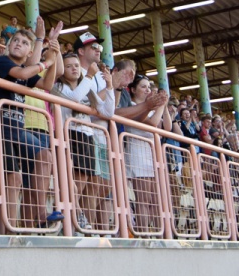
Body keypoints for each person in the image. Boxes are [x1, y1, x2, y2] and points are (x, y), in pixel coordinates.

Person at [0, 21, 63, 227]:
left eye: (23, 42)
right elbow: (21, 74)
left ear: (30, 52)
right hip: (0, 129)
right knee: (12, 180)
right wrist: (46, 62)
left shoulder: (26, 69)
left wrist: (53, 54)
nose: (18, 44)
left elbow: (47, 85)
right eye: (15, 40)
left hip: (17, 130)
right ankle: (9, 230)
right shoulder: (0, 62)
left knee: (45, 155)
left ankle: (39, 215)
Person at [50, 51, 114, 232]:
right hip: (69, 134)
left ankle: (80, 223)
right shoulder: (58, 87)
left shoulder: (86, 86)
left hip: (87, 136)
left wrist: (109, 86)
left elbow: (107, 112)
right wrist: (90, 76)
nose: (73, 69)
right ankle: (74, 222)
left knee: (84, 184)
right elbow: (75, 98)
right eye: (69, 66)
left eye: (76, 66)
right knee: (74, 183)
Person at [124, 74, 170, 233]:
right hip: (137, 153)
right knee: (143, 199)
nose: (147, 90)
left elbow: (167, 128)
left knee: (156, 199)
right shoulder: (131, 106)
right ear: (133, 89)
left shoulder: (150, 108)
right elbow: (152, 123)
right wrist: (160, 107)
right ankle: (143, 233)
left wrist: (163, 106)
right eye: (143, 87)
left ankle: (158, 234)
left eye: (148, 87)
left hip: (151, 155)